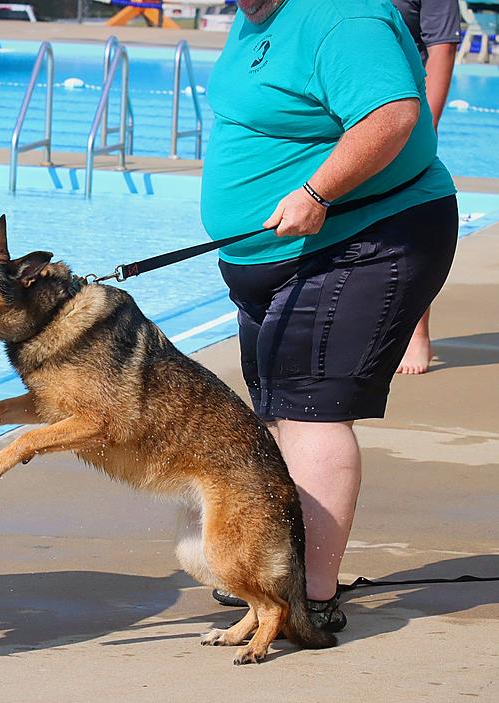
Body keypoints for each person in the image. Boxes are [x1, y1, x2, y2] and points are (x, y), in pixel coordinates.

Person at [201, 0, 459, 630]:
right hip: (279, 254)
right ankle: (276, 573)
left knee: (308, 410)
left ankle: (308, 599)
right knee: (279, 411)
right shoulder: (253, 14)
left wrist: (319, 191)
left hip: (364, 238)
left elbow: (395, 114)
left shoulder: (343, 16)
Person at [392, 0, 461, 374]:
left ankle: (417, 330)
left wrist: (425, 128)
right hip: (343, 102)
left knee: (409, 216)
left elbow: (442, 47)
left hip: (404, 106)